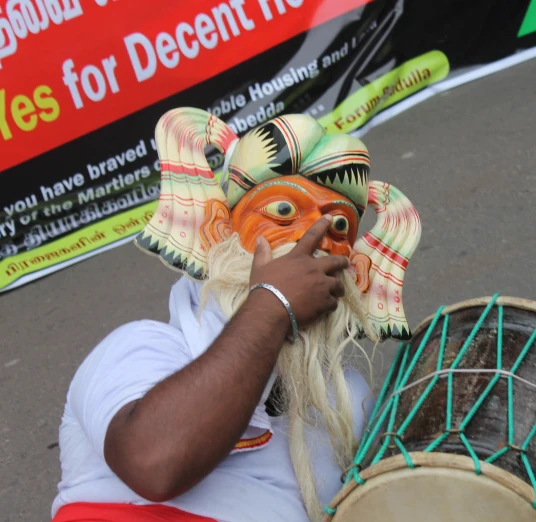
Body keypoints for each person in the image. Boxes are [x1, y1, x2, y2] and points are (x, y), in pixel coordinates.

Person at [51, 110, 422, 522]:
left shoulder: (348, 405)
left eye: (338, 225)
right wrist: (274, 302)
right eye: (283, 211)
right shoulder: (138, 348)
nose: (313, 239)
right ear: (220, 230)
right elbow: (155, 465)